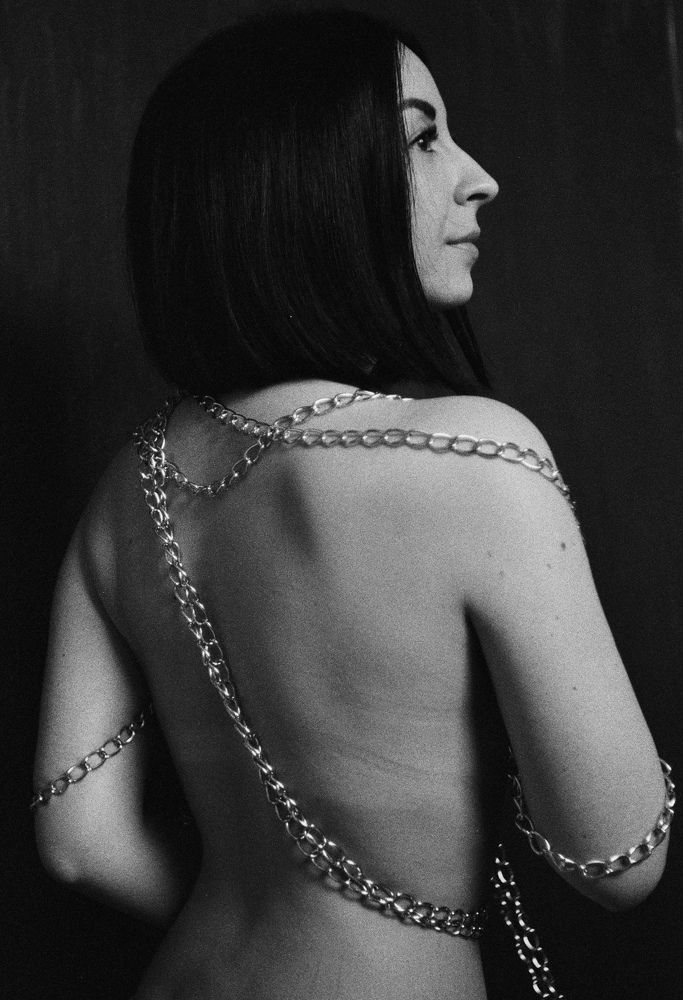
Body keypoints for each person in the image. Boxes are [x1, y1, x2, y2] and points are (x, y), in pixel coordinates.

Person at [32, 9, 672, 1000]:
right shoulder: (473, 453)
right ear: (305, 184)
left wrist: (275, 917)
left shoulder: (132, 485)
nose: (477, 178)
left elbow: (80, 842)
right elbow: (618, 861)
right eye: (422, 139)